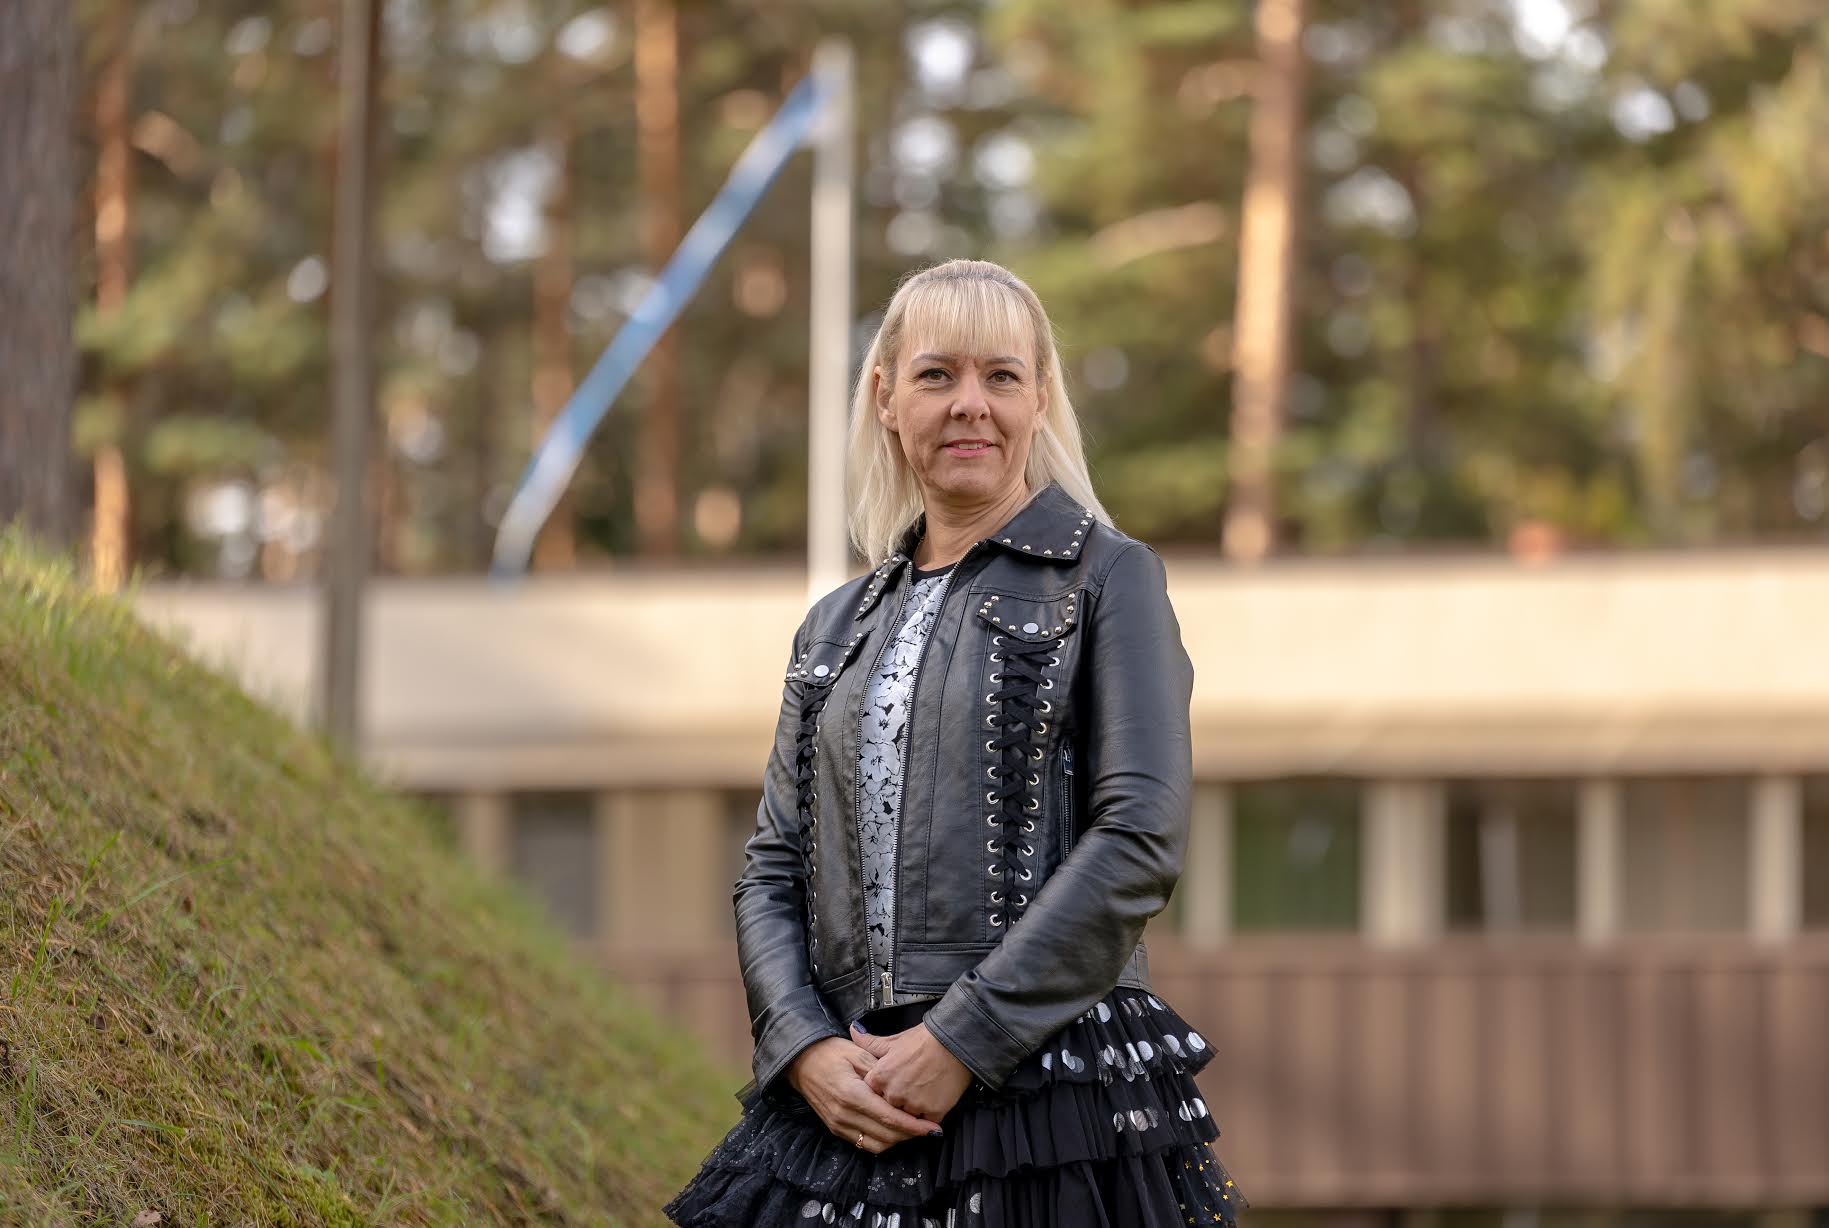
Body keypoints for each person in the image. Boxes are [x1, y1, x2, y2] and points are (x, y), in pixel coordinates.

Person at [665, 258, 1248, 1227]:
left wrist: (960, 1039)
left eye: (1000, 376)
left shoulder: (1109, 579)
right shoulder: (831, 627)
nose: (969, 404)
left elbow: (1139, 836)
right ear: (886, 400)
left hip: (1050, 1104)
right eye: (936, 375)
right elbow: (771, 867)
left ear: (1039, 400)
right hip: (842, 1103)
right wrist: (803, 1048)